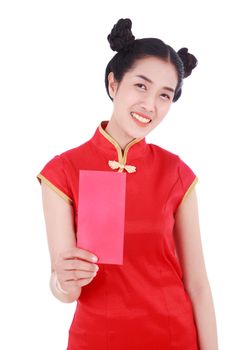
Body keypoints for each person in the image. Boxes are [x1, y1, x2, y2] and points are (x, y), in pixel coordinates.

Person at [36, 18, 218, 350]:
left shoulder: (177, 173)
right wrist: (63, 280)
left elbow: (197, 285)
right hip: (96, 339)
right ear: (113, 84)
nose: (150, 105)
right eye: (141, 86)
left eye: (165, 95)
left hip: (172, 336)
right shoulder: (62, 171)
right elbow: (67, 289)